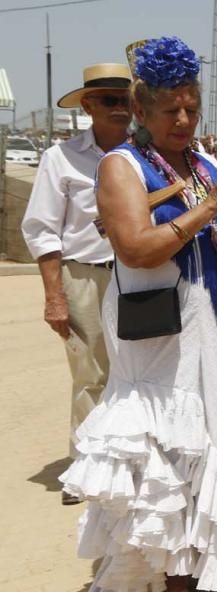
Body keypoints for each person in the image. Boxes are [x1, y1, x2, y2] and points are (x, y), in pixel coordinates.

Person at [60, 37, 217, 591]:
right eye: (170, 108)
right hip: (161, 338)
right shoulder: (120, 166)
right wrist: (211, 206)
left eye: (192, 108)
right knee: (168, 457)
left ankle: (209, 566)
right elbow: (136, 248)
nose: (183, 119)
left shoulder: (202, 164)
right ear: (141, 110)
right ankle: (157, 571)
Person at [22, 62, 132, 503]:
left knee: (141, 370)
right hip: (85, 276)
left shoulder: (146, 155)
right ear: (87, 105)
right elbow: (41, 231)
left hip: (140, 275)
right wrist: (54, 296)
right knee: (91, 375)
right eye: (109, 100)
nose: (120, 109)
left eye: (126, 100)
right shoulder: (61, 158)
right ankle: (86, 465)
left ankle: (132, 461)